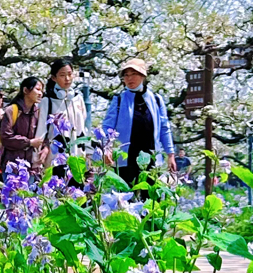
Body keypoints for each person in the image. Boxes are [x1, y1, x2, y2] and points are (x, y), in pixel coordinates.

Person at [100, 58, 176, 188]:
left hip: (151, 159)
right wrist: (106, 149)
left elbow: (164, 128)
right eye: (126, 75)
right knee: (126, 198)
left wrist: (170, 154)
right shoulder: (119, 100)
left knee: (151, 197)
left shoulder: (156, 100)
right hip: (126, 159)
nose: (129, 79)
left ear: (143, 76)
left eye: (134, 74)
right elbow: (107, 127)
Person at [0, 77, 50, 176]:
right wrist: (29, 142)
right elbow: (6, 138)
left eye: (42, 90)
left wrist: (45, 148)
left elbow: (43, 135)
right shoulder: (11, 111)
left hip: (32, 169)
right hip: (12, 168)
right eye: (37, 89)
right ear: (25, 90)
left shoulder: (38, 112)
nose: (40, 93)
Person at [46, 58, 87, 153]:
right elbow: (41, 131)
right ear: (53, 78)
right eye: (62, 75)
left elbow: (84, 126)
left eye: (69, 74)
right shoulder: (47, 100)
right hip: (56, 154)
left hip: (78, 152)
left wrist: (88, 151)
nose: (67, 79)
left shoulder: (78, 98)